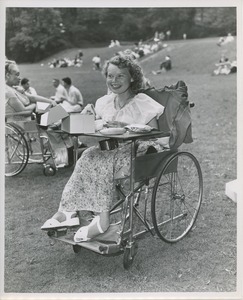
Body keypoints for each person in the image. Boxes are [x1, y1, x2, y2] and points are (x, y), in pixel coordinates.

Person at [41, 53, 165, 242]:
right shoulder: (105, 102)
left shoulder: (142, 102)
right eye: (110, 76)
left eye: (120, 76)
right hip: (113, 147)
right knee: (87, 156)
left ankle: (103, 219)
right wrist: (84, 119)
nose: (113, 81)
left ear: (132, 77)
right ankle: (67, 211)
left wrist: (125, 127)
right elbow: (93, 125)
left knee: (103, 160)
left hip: (140, 149)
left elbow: (154, 132)